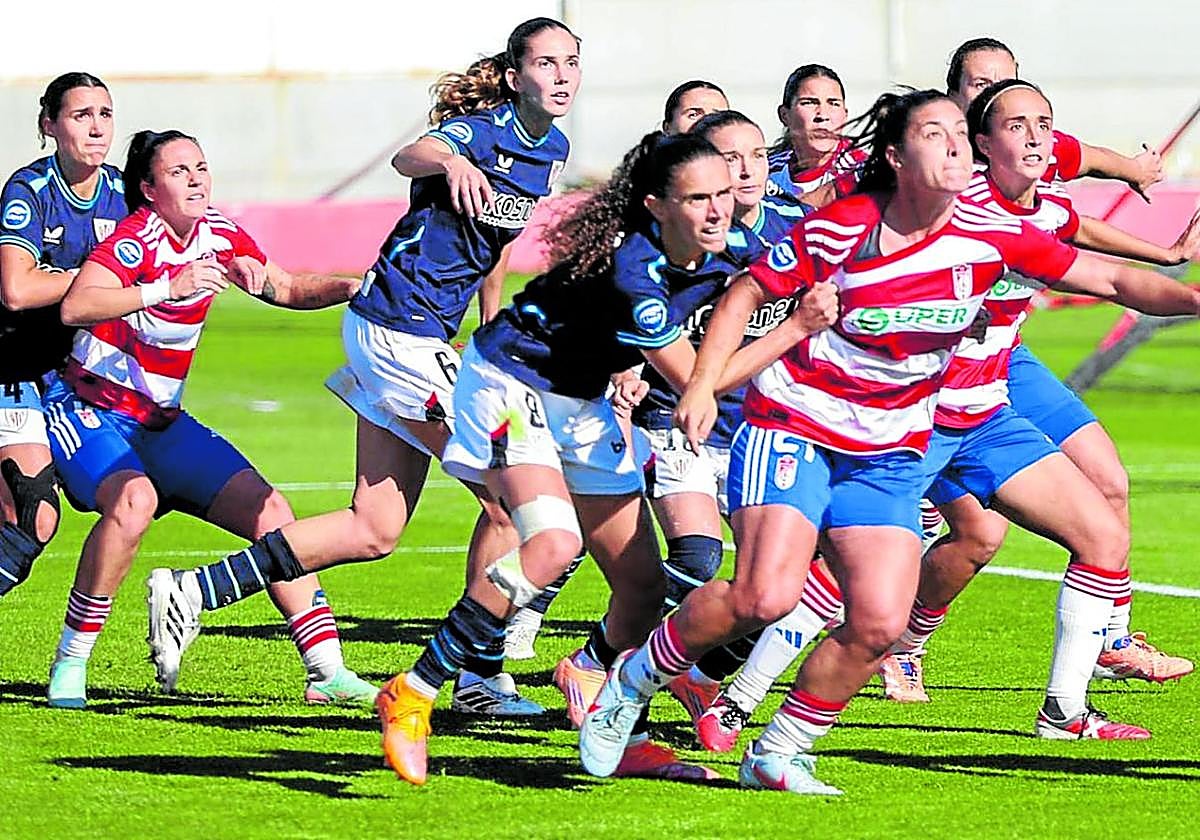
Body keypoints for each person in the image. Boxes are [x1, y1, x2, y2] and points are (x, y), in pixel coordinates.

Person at [580, 89, 1200, 795]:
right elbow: (748, 292)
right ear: (897, 157)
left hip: (889, 452)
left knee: (879, 624)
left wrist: (1191, 295)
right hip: (796, 428)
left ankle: (779, 751)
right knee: (763, 595)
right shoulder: (844, 227)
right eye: (935, 134)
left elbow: (1110, 277)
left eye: (958, 133)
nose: (954, 145)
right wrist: (700, 385)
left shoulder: (993, 233)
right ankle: (630, 682)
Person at [145, 18, 582, 717]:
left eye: (571, 62)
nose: (562, 75)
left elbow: (496, 245)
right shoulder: (481, 131)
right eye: (547, 63)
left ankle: (192, 591)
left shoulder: (552, 149)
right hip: (398, 329)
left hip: (410, 333)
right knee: (510, 501)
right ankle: (477, 676)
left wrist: (488, 325)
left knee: (373, 527)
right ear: (514, 75)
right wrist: (452, 163)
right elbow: (413, 155)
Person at [374, 130, 838, 785]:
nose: (718, 210)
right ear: (656, 207)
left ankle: (626, 739)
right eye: (698, 199)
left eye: (724, 194)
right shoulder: (635, 276)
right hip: (509, 384)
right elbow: (695, 379)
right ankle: (414, 690)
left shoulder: (726, 241)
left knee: (642, 588)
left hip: (581, 401)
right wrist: (795, 329)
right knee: (552, 544)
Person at [877, 79, 1197, 700]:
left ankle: (1095, 664)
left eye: (1043, 123)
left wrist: (1169, 257)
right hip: (919, 398)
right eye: (1014, 120)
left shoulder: (1040, 202)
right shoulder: (948, 202)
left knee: (1105, 494)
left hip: (997, 379)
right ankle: (723, 680)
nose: (1035, 135)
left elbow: (1095, 251)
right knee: (842, 568)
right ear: (975, 127)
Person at [42, 129, 364, 709]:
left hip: (163, 424)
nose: (196, 180)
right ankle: (71, 662)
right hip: (90, 410)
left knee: (272, 512)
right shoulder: (135, 241)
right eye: (179, 172)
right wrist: (166, 287)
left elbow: (286, 286)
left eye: (201, 168)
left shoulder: (218, 232)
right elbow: (77, 305)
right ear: (149, 189)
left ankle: (326, 671)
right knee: (133, 503)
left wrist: (351, 287)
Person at [0, 73, 125, 599]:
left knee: (132, 495)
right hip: (13, 368)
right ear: (50, 125)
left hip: (74, 378)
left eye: (105, 114)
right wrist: (94, 278)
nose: (96, 128)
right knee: (34, 514)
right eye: (81, 115)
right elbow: (16, 290)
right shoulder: (29, 191)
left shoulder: (124, 192)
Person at [945, 37, 1163, 194]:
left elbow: (1095, 159)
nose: (995, 94)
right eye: (981, 84)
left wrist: (1139, 171)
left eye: (1007, 84)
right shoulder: (937, 156)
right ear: (952, 96)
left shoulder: (1041, 147)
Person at [766, 65, 866, 207]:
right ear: (784, 115)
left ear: (845, 115)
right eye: (809, 103)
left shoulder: (863, 172)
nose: (822, 115)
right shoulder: (766, 172)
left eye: (834, 104)